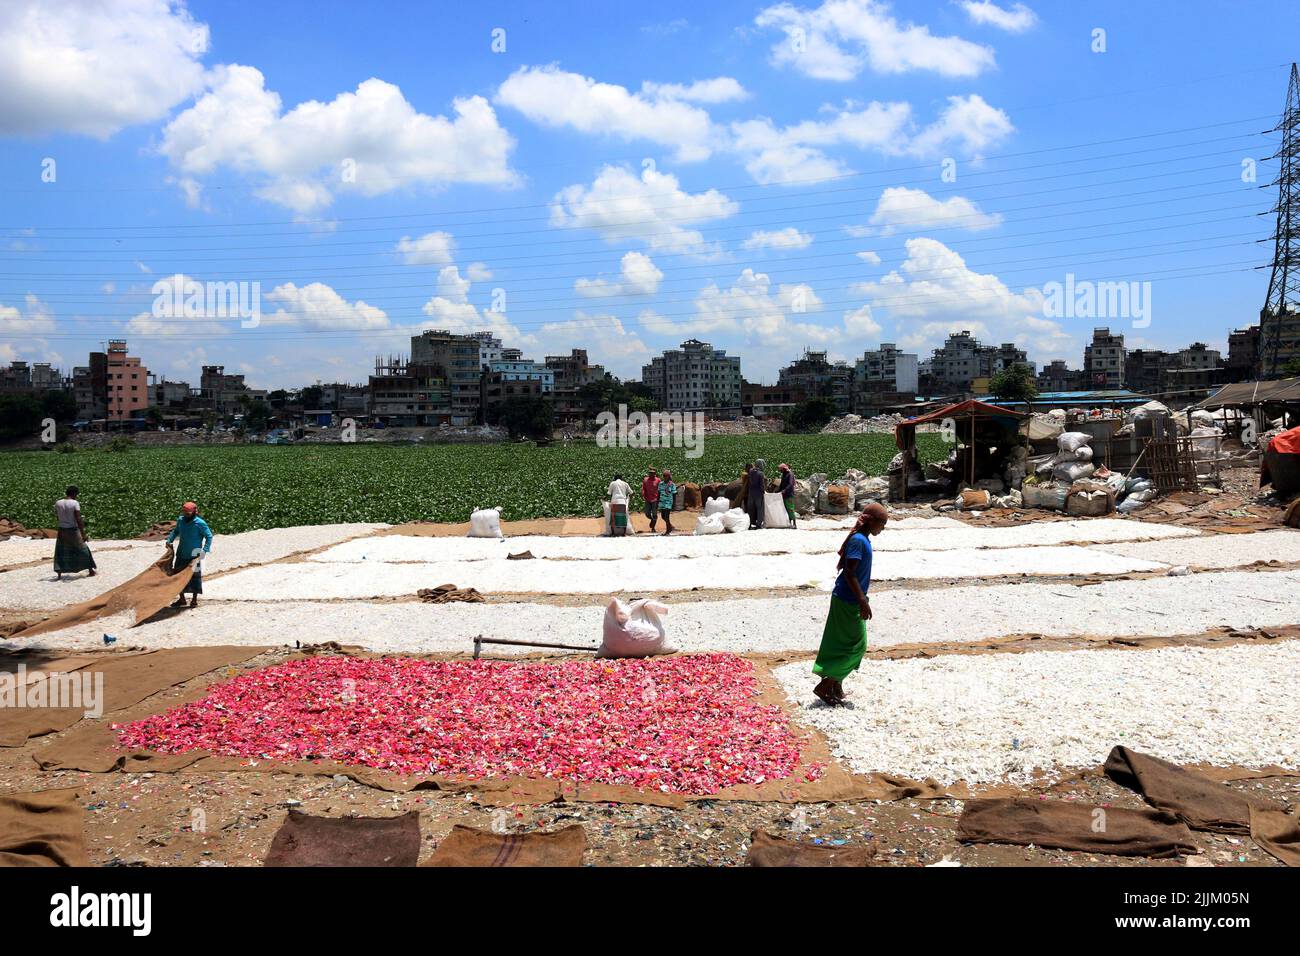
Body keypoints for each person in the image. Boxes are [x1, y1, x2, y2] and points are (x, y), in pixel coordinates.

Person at [812, 502, 888, 706]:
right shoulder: (858, 541)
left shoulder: (863, 539)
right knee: (858, 646)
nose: (883, 528)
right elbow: (850, 572)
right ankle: (826, 685)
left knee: (840, 643)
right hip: (848, 600)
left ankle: (836, 686)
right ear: (871, 522)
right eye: (882, 524)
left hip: (845, 598)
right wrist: (862, 600)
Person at [166, 501, 213, 609]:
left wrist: (204, 550)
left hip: (194, 554)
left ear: (194, 512)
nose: (186, 515)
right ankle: (182, 599)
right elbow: (176, 531)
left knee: (194, 577)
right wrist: (170, 540)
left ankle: (194, 600)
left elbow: (209, 536)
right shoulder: (181, 520)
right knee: (177, 575)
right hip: (181, 552)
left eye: (188, 513)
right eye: (185, 513)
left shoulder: (200, 523)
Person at [53, 486, 96, 579]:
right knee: (83, 549)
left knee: (61, 550)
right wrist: (83, 534)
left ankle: (59, 572)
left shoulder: (58, 503)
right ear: (74, 494)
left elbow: (57, 516)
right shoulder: (74, 503)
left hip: (61, 529)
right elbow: (78, 519)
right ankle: (90, 570)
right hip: (72, 529)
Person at [747, 459, 767, 530]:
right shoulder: (761, 473)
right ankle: (758, 524)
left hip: (751, 493)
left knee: (750, 509)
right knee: (759, 509)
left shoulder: (751, 471)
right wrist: (764, 491)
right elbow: (762, 485)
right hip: (758, 494)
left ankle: (748, 524)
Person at [640, 467, 661, 532]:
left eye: (653, 473)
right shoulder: (645, 480)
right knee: (647, 513)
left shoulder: (658, 480)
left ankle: (653, 528)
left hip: (655, 499)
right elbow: (643, 488)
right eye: (650, 473)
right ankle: (652, 520)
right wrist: (643, 494)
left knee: (654, 514)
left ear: (655, 474)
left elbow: (660, 489)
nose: (651, 474)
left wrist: (660, 498)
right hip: (647, 499)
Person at [777, 463, 797, 528]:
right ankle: (789, 523)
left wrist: (784, 490)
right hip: (784, 494)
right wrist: (777, 491)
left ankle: (794, 524)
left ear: (784, 469)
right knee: (785, 509)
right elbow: (781, 484)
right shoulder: (784, 475)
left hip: (789, 494)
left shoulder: (790, 474)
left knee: (790, 509)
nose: (780, 471)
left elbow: (790, 484)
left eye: (781, 470)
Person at [658, 470, 677, 535]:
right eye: (664, 476)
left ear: (669, 477)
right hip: (662, 502)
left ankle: (667, 531)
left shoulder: (672, 484)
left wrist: (674, 504)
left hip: (668, 502)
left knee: (666, 516)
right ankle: (670, 527)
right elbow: (659, 493)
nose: (665, 477)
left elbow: (674, 494)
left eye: (666, 476)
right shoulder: (661, 484)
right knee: (663, 516)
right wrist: (658, 501)